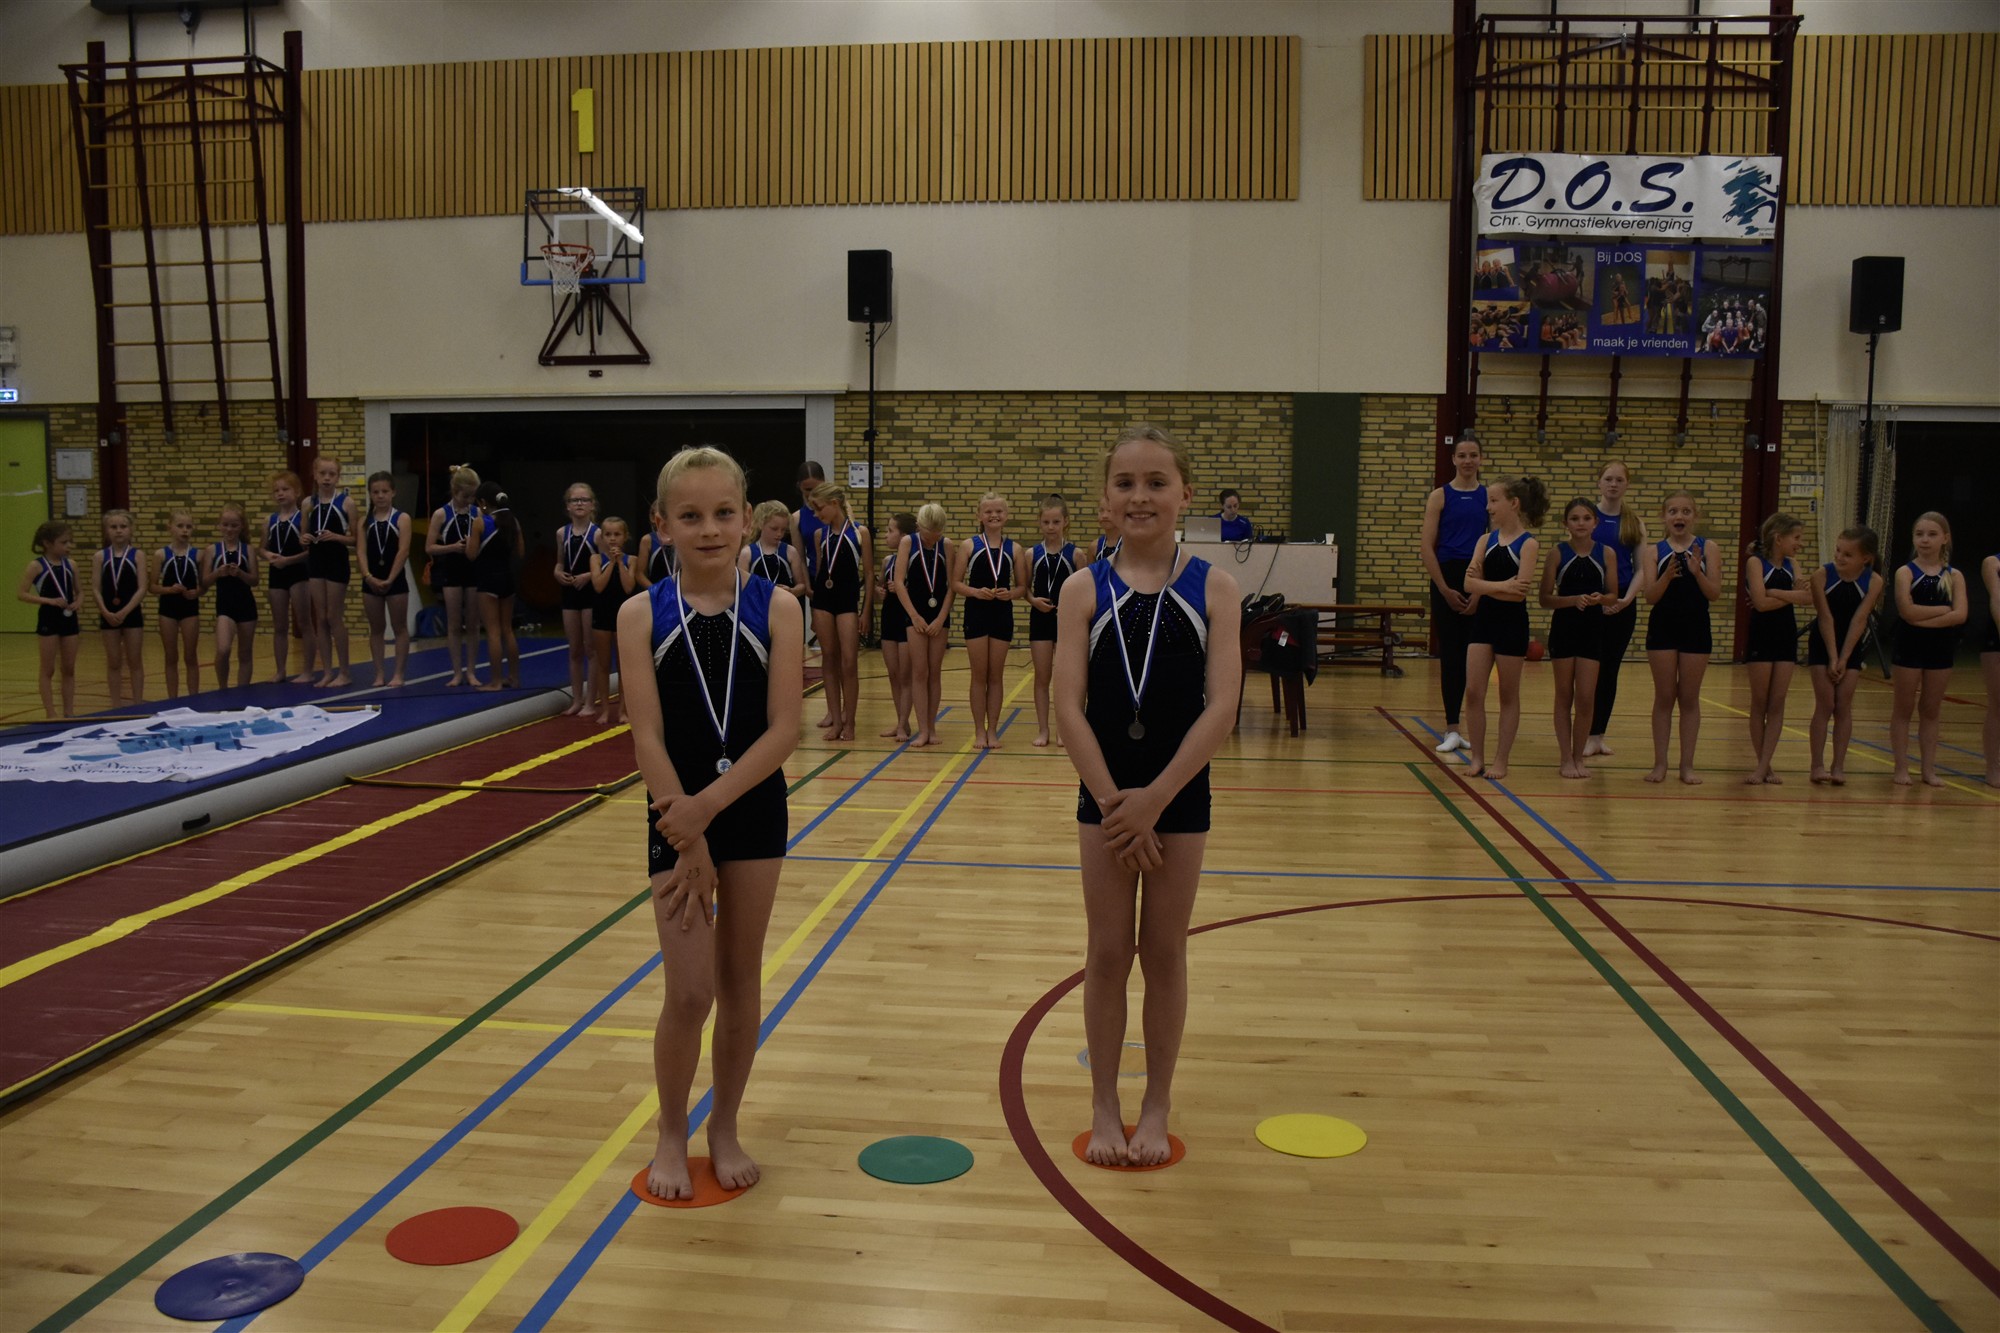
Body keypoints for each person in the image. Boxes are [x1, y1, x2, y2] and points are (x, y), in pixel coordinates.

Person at [1054, 423, 1241, 1168]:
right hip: (1104, 797)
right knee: (1107, 951)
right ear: (1105, 498)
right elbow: (1067, 705)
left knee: (1163, 952)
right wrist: (1113, 803)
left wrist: (1155, 800)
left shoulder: (1215, 588)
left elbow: (1222, 706)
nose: (1141, 496)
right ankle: (1104, 1104)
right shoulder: (1082, 589)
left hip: (1177, 796)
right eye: (1125, 483)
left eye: (1157, 483)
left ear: (1185, 494)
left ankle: (1156, 1104)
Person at [619, 445, 802, 1201]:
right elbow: (647, 736)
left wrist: (709, 809)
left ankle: (723, 1125)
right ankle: (671, 1131)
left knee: (738, 982)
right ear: (662, 525)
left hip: (750, 808)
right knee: (690, 992)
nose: (709, 529)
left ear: (747, 518)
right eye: (690, 516)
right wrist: (686, 829)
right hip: (673, 812)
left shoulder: (778, 607)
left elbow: (784, 729)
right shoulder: (640, 614)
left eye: (724, 513)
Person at [1461, 476, 1547, 780]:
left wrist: (1486, 586)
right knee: (1473, 691)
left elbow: (1518, 593)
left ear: (1514, 503)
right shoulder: (1485, 541)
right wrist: (1501, 586)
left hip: (1512, 624)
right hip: (1484, 622)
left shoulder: (1529, 544)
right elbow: (1468, 583)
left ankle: (1501, 761)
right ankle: (1477, 758)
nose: (1488, 507)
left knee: (1508, 695)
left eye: (1494, 501)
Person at [1643, 491, 1722, 785]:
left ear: (1695, 516)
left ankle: (1687, 765)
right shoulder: (1653, 551)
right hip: (1663, 628)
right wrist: (1666, 576)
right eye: (1673, 511)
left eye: (1686, 511)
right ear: (1664, 517)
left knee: (1689, 698)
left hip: (1696, 628)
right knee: (1664, 697)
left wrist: (1696, 573)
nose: (1680, 516)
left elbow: (1714, 593)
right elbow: (1650, 597)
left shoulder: (1708, 548)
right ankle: (1660, 763)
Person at [1889, 512, 1967, 787]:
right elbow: (1907, 611)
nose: (1925, 540)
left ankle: (1928, 770)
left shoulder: (1954, 576)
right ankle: (1901, 767)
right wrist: (1942, 611)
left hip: (1940, 649)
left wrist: (1924, 620)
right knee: (1904, 708)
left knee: (1931, 709)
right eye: (1919, 534)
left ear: (1945, 538)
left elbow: (1960, 614)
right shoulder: (1905, 572)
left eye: (1932, 534)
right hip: (1909, 646)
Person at [1419, 436, 1487, 753]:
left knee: (1475, 658)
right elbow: (1426, 547)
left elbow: (1493, 544)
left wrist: (1480, 590)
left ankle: (1473, 726)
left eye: (1473, 455)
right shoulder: (1440, 496)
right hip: (1446, 576)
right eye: (1462, 455)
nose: (1468, 460)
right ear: (1454, 459)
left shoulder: (1489, 496)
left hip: (1478, 577)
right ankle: (1452, 728)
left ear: (1481, 459)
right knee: (1451, 655)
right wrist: (1444, 589)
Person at [1540, 497, 1616, 780]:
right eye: (1574, 519)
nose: (1581, 523)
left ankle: (1578, 756)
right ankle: (1565, 758)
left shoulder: (1606, 553)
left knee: (1585, 697)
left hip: (1593, 630)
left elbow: (1613, 595)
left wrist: (1599, 599)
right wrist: (1572, 600)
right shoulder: (1557, 553)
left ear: (1595, 522)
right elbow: (1544, 598)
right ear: (1566, 524)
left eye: (1586, 518)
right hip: (1564, 629)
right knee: (1564, 695)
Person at [1807, 528, 1883, 786]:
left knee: (1843, 706)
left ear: (1866, 558)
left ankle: (1838, 765)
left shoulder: (1874, 581)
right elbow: (1825, 617)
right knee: (1825, 704)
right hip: (1823, 642)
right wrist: (1832, 656)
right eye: (1838, 551)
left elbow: (1860, 619)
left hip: (1850, 644)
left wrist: (1844, 658)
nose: (1839, 557)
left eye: (1848, 554)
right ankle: (1817, 765)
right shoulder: (1822, 575)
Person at [1742, 513, 1811, 784]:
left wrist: (1775, 593)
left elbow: (1807, 598)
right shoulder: (1755, 562)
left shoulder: (1793, 564)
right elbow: (1760, 604)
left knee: (1777, 702)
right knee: (1760, 702)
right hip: (1761, 635)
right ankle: (1763, 765)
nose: (1800, 543)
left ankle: (1764, 765)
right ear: (1778, 538)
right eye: (1797, 538)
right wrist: (1789, 596)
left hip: (1785, 636)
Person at [955, 491, 1025, 751]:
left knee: (996, 675)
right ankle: (979, 731)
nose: (994, 515)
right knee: (978, 675)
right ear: (979, 515)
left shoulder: (1014, 549)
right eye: (988, 511)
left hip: (1001, 613)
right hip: (976, 612)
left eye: (998, 511)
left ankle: (993, 729)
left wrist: (1011, 594)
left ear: (1006, 515)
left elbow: (1022, 587)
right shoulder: (969, 546)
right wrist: (975, 592)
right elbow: (955, 582)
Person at [1585, 460, 1645, 758]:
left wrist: (1626, 599)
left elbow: (1642, 568)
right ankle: (1582, 731)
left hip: (1622, 603)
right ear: (1599, 482)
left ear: (1626, 485)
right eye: (1608, 479)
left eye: (1619, 480)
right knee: (1587, 671)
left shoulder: (1634, 523)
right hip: (1590, 600)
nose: (1613, 484)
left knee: (1609, 670)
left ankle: (1597, 734)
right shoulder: (1587, 517)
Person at [807, 482, 870, 742]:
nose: (816, 514)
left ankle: (850, 721)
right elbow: (822, 571)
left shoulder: (860, 533)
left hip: (847, 601)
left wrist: (866, 612)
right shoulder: (820, 535)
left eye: (819, 508)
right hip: (824, 601)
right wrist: (814, 611)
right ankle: (835, 718)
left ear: (834, 504)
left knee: (849, 662)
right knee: (829, 658)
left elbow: (868, 574)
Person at [896, 503, 953, 748]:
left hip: (939, 615)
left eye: (938, 533)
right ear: (920, 527)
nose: (934, 538)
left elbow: (952, 586)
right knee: (920, 672)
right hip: (915, 614)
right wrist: (914, 615)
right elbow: (899, 582)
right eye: (930, 533)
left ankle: (932, 727)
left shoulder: (946, 545)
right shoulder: (908, 542)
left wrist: (941, 618)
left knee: (934, 672)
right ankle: (922, 730)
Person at [1028, 495, 1080, 748]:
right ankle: (1043, 729)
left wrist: (1070, 609)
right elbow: (1024, 588)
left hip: (1066, 621)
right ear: (1040, 522)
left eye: (1056, 522)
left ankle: (1063, 729)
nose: (1051, 527)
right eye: (1046, 522)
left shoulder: (1076, 554)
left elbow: (1084, 589)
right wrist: (1033, 600)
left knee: (1064, 679)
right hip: (1040, 619)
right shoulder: (1032, 554)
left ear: (1065, 522)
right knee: (1042, 676)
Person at [425, 466, 484, 688]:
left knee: (473, 624)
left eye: (472, 496)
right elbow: (429, 547)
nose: (469, 500)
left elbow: (484, 542)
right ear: (454, 491)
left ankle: (472, 671)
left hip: (473, 570)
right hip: (450, 570)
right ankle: (457, 672)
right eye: (465, 496)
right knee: (454, 624)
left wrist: (473, 546)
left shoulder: (477, 513)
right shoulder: (441, 514)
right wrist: (452, 547)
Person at [19, 520, 82, 718]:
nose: (68, 546)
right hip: (48, 617)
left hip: (69, 618)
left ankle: (69, 712)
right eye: (64, 542)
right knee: (48, 669)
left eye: (70, 541)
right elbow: (22, 594)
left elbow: (80, 592)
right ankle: (51, 713)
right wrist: (48, 601)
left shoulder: (71, 565)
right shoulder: (36, 566)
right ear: (47, 543)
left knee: (69, 668)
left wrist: (78, 602)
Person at [302, 454, 354, 688]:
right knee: (321, 618)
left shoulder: (346, 503)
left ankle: (344, 671)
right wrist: (304, 538)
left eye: (331, 474)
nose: (326, 478)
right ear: (315, 475)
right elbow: (303, 536)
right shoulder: (308, 503)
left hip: (336, 561)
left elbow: (355, 539)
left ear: (338, 477)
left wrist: (336, 537)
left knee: (334, 616)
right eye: (322, 473)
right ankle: (327, 671)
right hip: (316, 562)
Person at [467, 479, 523, 691]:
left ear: (483, 502)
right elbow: (520, 552)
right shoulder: (513, 522)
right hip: (507, 578)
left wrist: (470, 540)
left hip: (488, 580)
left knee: (493, 632)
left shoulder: (480, 523)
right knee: (507, 630)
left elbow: (471, 555)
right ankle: (514, 678)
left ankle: (496, 681)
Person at [554, 482, 603, 717]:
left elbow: (606, 565)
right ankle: (576, 699)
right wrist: (557, 572)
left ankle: (591, 701)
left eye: (584, 500)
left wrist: (588, 576)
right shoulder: (561, 533)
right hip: (570, 592)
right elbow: (560, 562)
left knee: (591, 649)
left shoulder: (598, 534)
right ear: (568, 506)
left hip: (591, 592)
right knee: (574, 649)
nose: (580, 504)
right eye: (575, 500)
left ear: (592, 505)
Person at [360, 473, 412, 688]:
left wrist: (390, 578)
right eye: (375, 492)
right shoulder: (364, 521)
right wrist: (368, 576)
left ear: (393, 493)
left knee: (399, 627)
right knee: (376, 628)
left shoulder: (402, 518)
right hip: (371, 580)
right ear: (370, 494)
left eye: (384, 491)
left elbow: (403, 550)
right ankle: (379, 674)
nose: (380, 496)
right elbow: (361, 552)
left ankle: (398, 673)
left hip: (395, 580)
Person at [94, 509, 147, 709]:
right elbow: (96, 588)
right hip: (108, 614)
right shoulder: (100, 556)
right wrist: (104, 611)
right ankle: (115, 704)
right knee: (114, 662)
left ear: (131, 529)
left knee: (135, 661)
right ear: (106, 530)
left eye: (123, 526)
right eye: (113, 527)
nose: (118, 531)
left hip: (131, 613)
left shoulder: (138, 555)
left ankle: (138, 704)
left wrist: (125, 611)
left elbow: (142, 588)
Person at [590, 516, 639, 727]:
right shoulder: (596, 559)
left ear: (625, 537)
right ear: (602, 537)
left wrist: (620, 562)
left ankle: (623, 709)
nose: (612, 539)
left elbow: (629, 587)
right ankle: (604, 709)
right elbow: (598, 586)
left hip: (622, 616)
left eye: (617, 534)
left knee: (623, 666)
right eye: (608, 534)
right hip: (602, 614)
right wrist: (611, 562)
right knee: (603, 664)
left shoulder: (632, 560)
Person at [206, 501, 261, 689]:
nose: (229, 529)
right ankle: (223, 688)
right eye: (226, 525)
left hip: (246, 605)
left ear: (241, 526)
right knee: (223, 649)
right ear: (219, 525)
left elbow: (255, 580)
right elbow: (204, 581)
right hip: (225, 606)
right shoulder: (212, 550)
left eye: (234, 525)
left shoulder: (248, 550)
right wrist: (217, 573)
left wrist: (241, 574)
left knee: (245, 653)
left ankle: (242, 692)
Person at [265, 470, 312, 684]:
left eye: (285, 489)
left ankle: (308, 670)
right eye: (277, 490)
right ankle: (280, 670)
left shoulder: (302, 519)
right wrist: (267, 555)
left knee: (304, 622)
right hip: (277, 573)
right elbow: (261, 548)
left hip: (298, 572)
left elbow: (310, 551)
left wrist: (288, 560)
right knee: (280, 625)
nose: (280, 494)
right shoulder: (270, 520)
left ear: (297, 492)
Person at [154, 508, 206, 699]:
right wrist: (169, 590)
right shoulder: (161, 554)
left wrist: (197, 592)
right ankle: (172, 699)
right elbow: (152, 586)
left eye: (188, 527)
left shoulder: (198, 555)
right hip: (167, 609)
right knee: (171, 656)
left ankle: (194, 697)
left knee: (190, 655)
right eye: (180, 526)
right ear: (170, 527)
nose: (185, 530)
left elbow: (203, 585)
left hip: (189, 609)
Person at [874, 512, 916, 742]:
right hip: (889, 618)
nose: (886, 535)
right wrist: (880, 591)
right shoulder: (888, 561)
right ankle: (902, 721)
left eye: (890, 531)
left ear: (905, 536)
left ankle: (902, 724)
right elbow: (880, 587)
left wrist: (904, 589)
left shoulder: (915, 560)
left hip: (906, 620)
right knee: (893, 674)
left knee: (905, 675)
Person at [739, 499, 809, 601]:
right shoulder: (747, 553)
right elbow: (740, 586)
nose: (779, 534)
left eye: (783, 530)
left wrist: (792, 591)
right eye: (774, 529)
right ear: (761, 524)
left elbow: (802, 586)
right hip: (757, 604)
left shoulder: (790, 552)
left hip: (784, 603)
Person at [1981, 548, 1999, 787]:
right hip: (1996, 639)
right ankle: (1993, 767)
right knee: (1998, 704)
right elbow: (1997, 600)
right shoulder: (1992, 563)